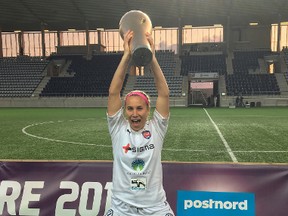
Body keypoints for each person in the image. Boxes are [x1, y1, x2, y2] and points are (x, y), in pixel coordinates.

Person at [105, 30, 175, 216]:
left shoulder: (157, 128)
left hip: (155, 208)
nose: (134, 113)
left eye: (139, 108)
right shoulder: (117, 128)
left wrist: (151, 57)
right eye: (130, 109)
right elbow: (114, 93)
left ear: (148, 110)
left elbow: (164, 94)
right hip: (121, 208)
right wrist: (127, 55)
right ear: (125, 111)